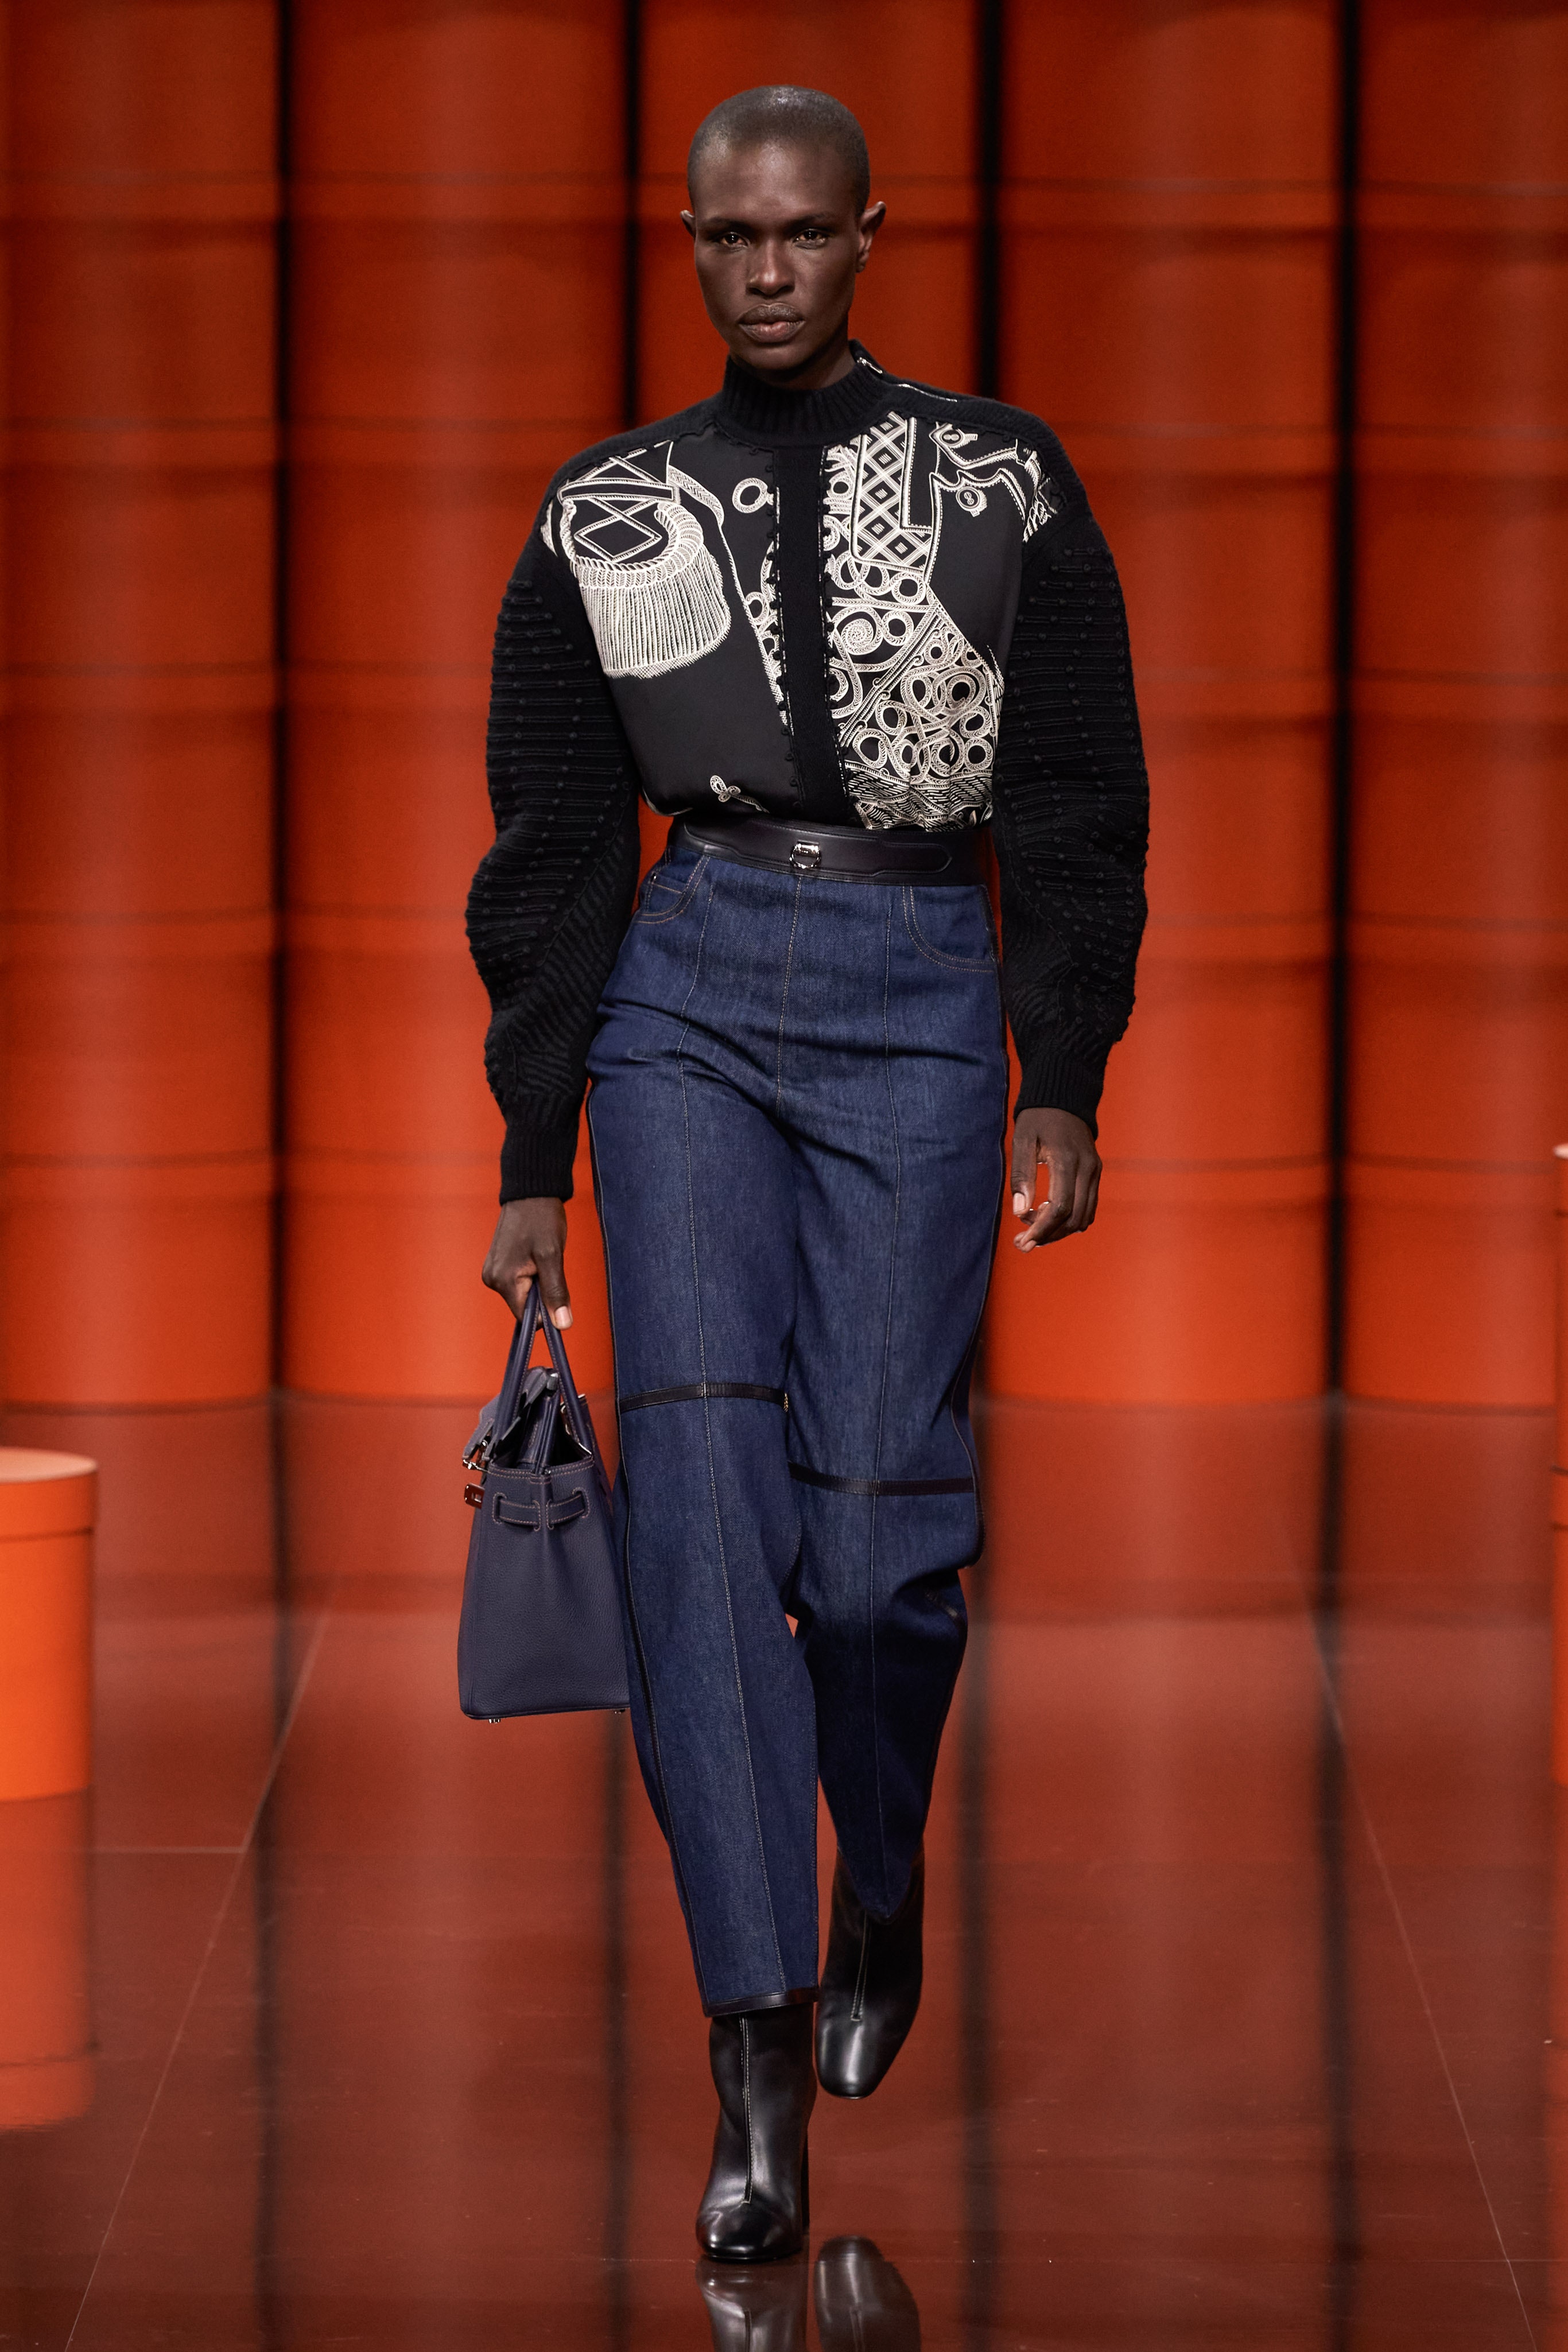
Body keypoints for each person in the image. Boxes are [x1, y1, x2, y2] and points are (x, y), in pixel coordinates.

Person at [467, 86, 1147, 2262]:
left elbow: (1076, 790)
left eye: (799, 235)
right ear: (687, 242)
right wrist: (533, 1149)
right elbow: (553, 843)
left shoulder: (1001, 477)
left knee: (872, 1540)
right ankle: (751, 2050)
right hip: (684, 994)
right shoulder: (604, 508)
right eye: (725, 238)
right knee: (696, 1505)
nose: (762, 272)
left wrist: (1062, 1070)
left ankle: (881, 1860)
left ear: (868, 234)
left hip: (919, 982)